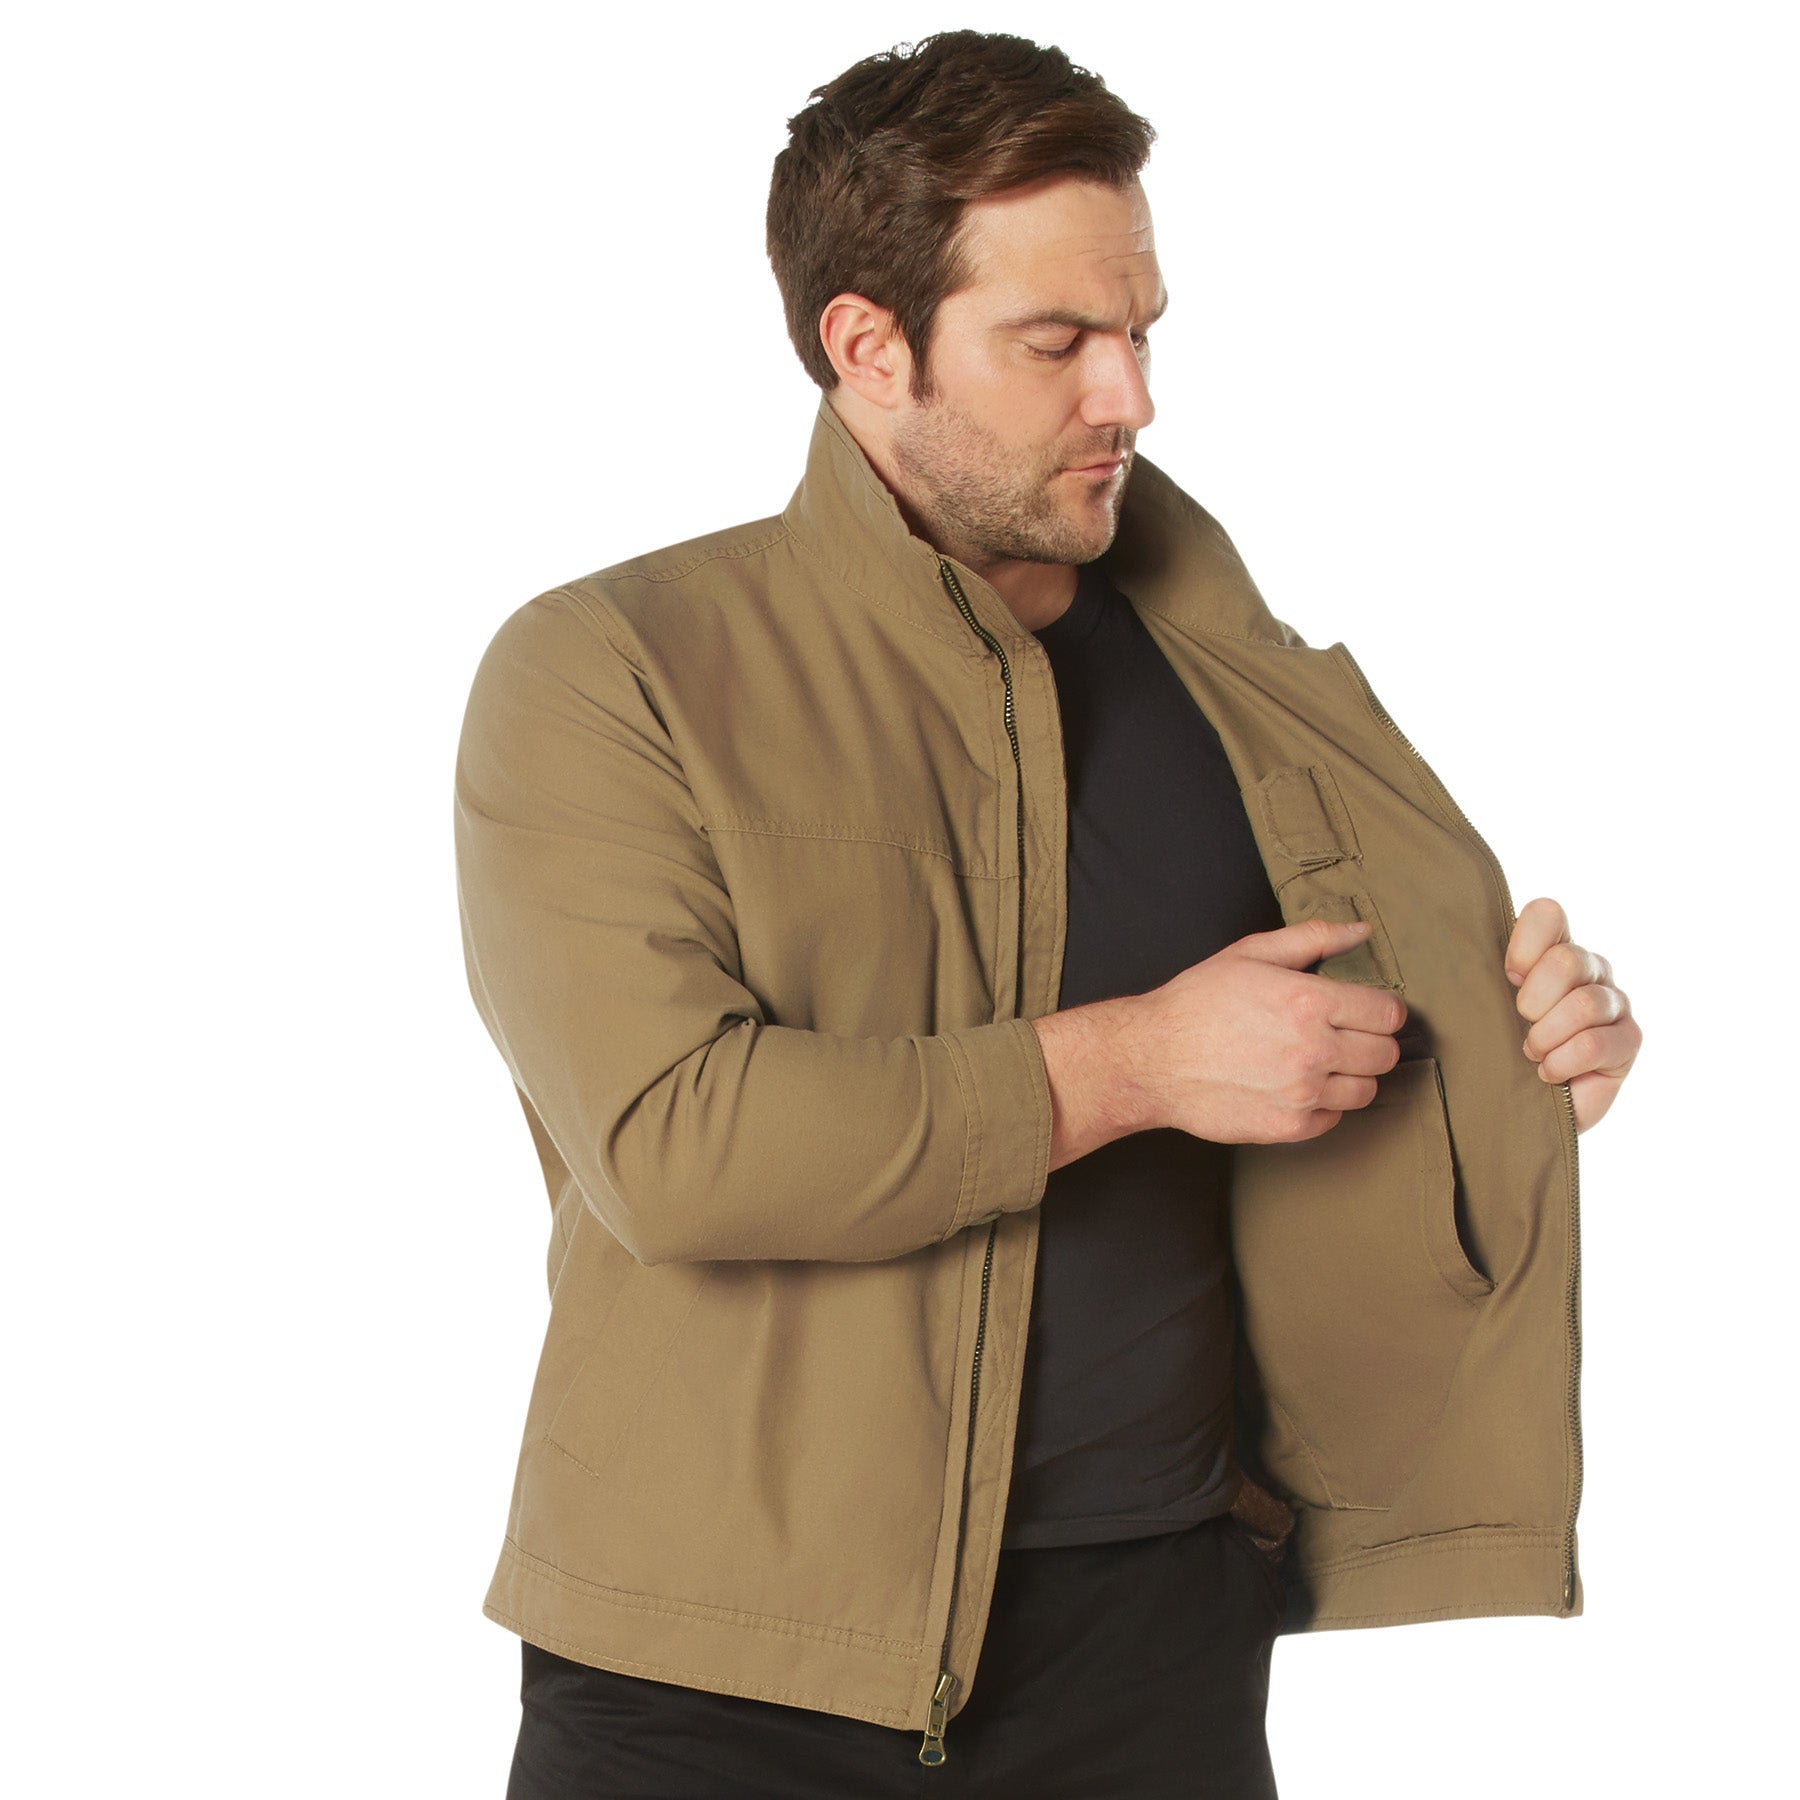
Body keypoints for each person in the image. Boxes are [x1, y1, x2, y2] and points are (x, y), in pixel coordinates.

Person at [453, 29, 1642, 1798]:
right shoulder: (612, 670)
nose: (1131, 397)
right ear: (868, 345)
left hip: (1154, 1643)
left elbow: (1328, 1060)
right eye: (1058, 341)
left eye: (1143, 330)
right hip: (714, 1673)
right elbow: (675, 1143)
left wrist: (1526, 1061)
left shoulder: (1237, 680)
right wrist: (1140, 1062)